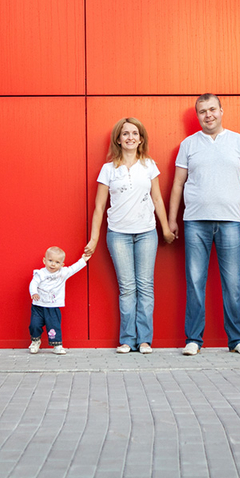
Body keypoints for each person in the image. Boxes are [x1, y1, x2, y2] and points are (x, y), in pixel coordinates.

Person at [168, 94, 240, 356]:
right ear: (198, 116)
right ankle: (193, 340)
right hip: (195, 221)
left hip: (230, 221)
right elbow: (178, 184)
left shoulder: (238, 141)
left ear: (221, 111)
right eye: (202, 111)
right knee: (195, 282)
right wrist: (172, 219)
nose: (208, 115)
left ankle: (237, 339)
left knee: (233, 284)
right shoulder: (188, 144)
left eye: (212, 109)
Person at [85, 117, 175, 354]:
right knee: (127, 288)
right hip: (118, 234)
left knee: (145, 287)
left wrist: (165, 229)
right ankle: (127, 339)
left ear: (141, 139)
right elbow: (99, 207)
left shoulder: (149, 165)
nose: (130, 137)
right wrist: (94, 239)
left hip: (146, 232)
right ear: (118, 139)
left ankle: (144, 340)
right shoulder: (108, 170)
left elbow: (157, 199)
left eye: (135, 133)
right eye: (125, 133)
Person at [29, 246, 91, 355]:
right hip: (38, 306)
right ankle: (35, 341)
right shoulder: (40, 273)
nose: (53, 264)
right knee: (34, 325)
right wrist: (34, 293)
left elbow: (74, 268)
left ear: (62, 265)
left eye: (57, 262)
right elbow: (33, 283)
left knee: (54, 326)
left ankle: (57, 345)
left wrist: (83, 259)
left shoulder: (63, 273)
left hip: (53, 307)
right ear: (44, 260)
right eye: (50, 260)